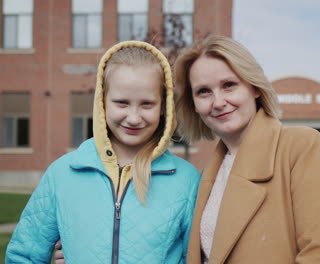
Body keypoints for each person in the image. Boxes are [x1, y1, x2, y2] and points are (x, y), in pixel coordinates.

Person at [6, 41, 200, 264]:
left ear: (163, 107)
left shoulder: (187, 181)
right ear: (102, 102)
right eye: (122, 103)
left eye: (147, 104)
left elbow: (195, 258)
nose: (134, 117)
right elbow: (24, 256)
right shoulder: (61, 174)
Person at [174, 35, 320, 263]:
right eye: (204, 91)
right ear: (193, 104)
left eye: (229, 85)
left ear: (254, 87)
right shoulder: (209, 173)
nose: (217, 102)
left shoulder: (301, 147)